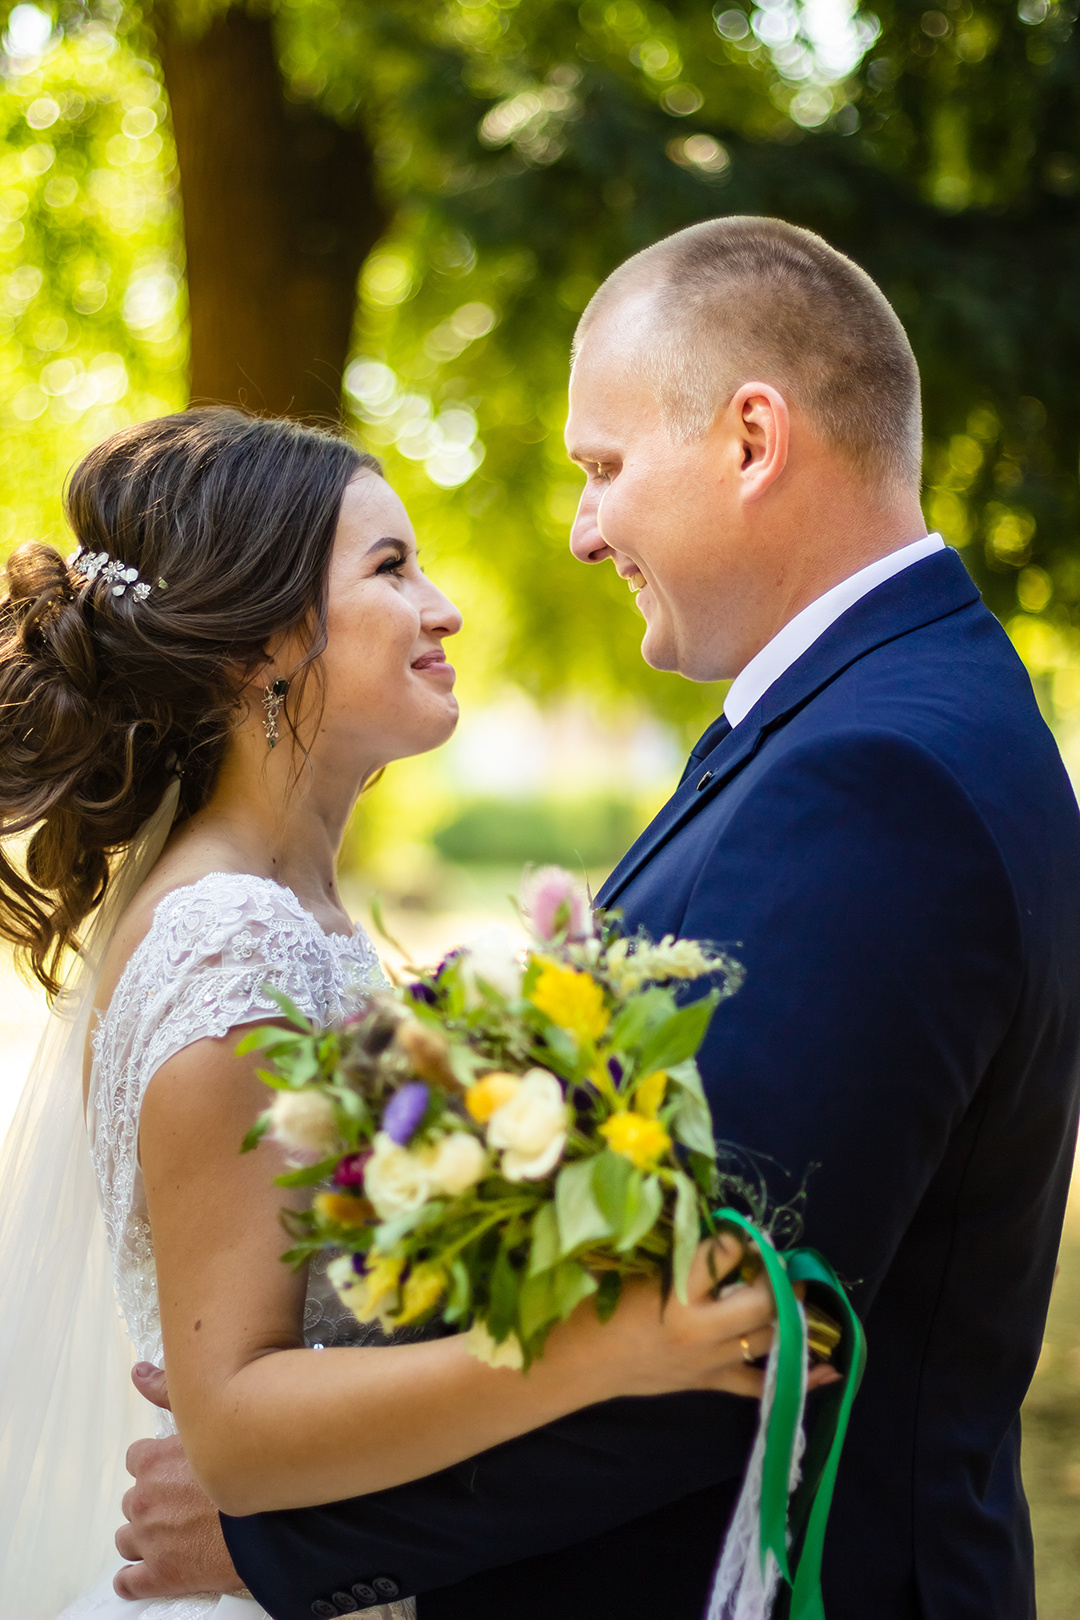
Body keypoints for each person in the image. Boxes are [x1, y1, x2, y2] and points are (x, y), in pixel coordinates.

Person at [115, 216, 1080, 1619]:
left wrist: (281, 1535)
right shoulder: (860, 725)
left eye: (604, 469)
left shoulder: (879, 776)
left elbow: (726, 1337)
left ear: (754, 441)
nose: (580, 529)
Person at [0, 407, 781, 1620]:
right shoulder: (227, 941)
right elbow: (237, 1426)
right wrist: (605, 1348)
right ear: (263, 647)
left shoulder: (292, 913)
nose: (445, 607)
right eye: (390, 567)